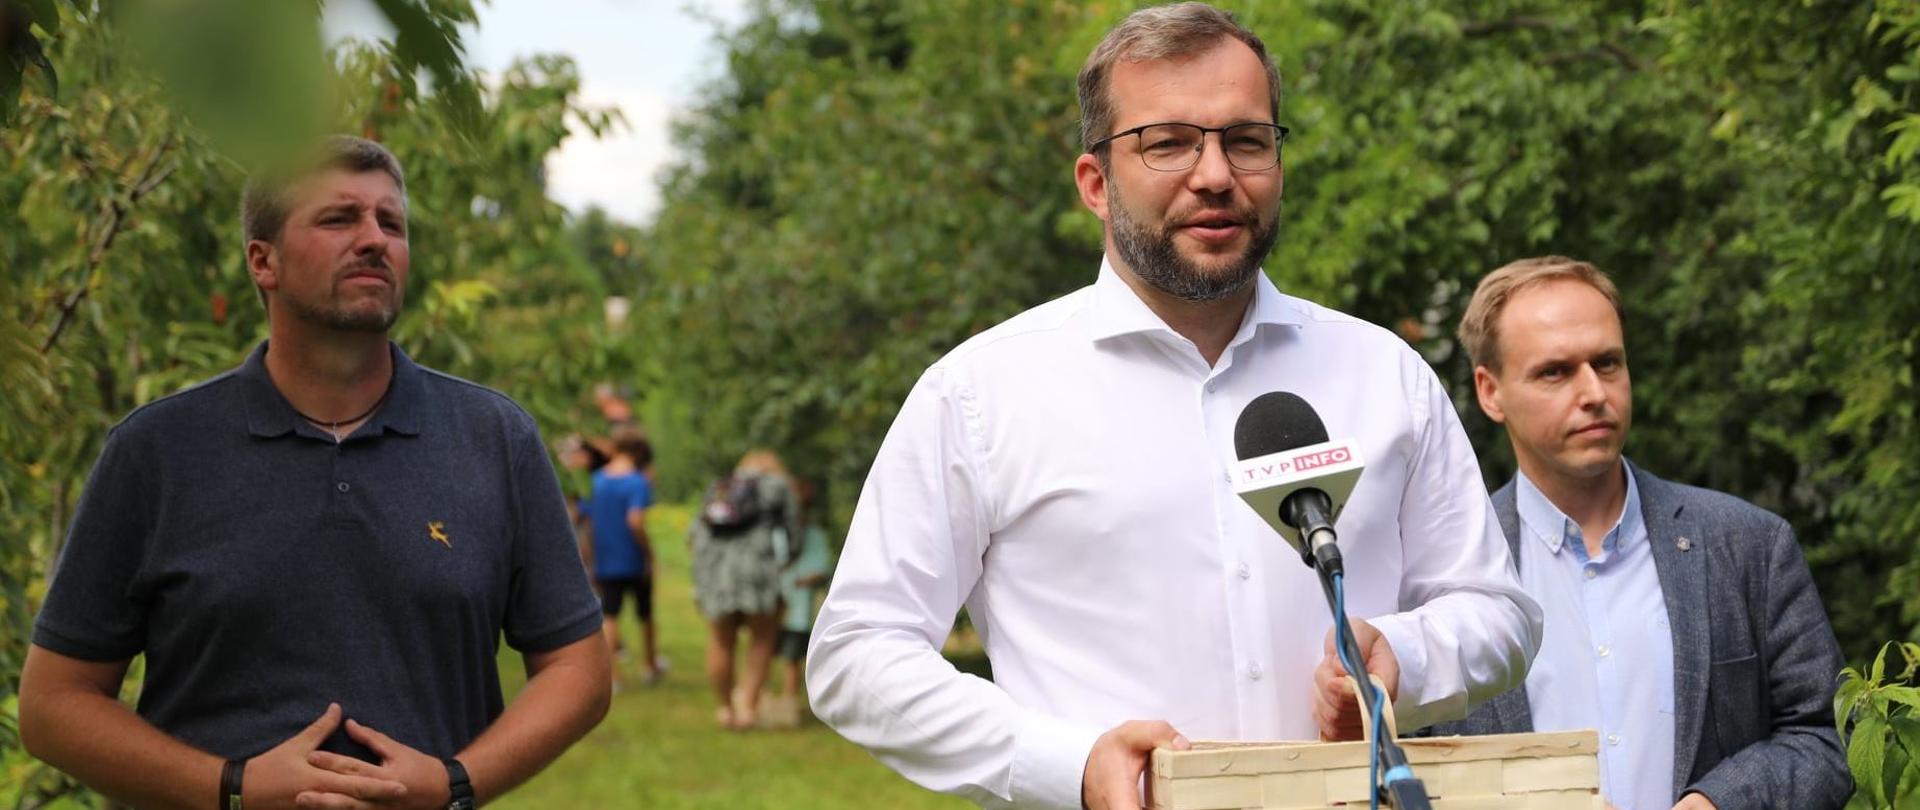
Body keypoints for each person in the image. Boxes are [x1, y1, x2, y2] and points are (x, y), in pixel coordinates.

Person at [805, 5, 1542, 809]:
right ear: (1095, 183)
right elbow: (857, 652)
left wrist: (1406, 654)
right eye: (1168, 142)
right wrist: (1069, 762)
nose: (1216, 174)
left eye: (1246, 140)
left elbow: (1498, 614)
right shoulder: (981, 394)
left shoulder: (1384, 373)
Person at [18, 135, 610, 810]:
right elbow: (53, 704)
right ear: (262, 261)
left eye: (391, 223)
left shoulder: (495, 438)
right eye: (339, 218)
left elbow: (579, 668)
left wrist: (455, 782)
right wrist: (232, 787)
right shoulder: (157, 451)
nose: (374, 239)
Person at [1433, 256, 1850, 810]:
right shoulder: (1444, 576)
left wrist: (1719, 802)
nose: (1593, 392)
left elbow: (1826, 735)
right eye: (1555, 371)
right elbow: (1403, 771)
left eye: (1607, 363)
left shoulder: (1748, 545)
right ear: (1490, 392)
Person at [690, 449, 803, 730]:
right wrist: (786, 561)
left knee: (721, 640)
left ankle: (726, 708)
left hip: (717, 571)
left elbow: (694, 533)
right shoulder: (778, 486)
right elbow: (794, 533)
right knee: (761, 639)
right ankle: (748, 709)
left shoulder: (721, 486)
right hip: (757, 568)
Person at [585, 429, 664, 685]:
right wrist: (648, 553)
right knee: (645, 613)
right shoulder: (637, 482)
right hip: (633, 558)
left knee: (610, 615)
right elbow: (636, 520)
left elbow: (587, 522)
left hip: (606, 558)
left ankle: (614, 675)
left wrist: (590, 556)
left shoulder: (596, 480)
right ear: (639, 451)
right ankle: (650, 666)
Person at [775, 480, 835, 710]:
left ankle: (788, 703)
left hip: (798, 609)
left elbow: (822, 568)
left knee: (792, 657)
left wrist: (807, 579)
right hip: (775, 606)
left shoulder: (815, 536)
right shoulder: (777, 535)